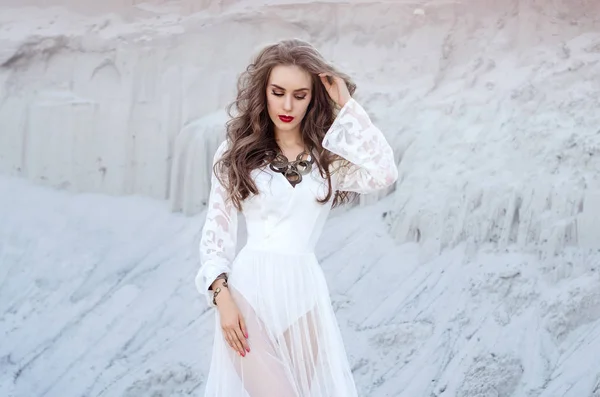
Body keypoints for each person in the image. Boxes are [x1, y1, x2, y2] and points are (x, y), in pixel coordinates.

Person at [195, 39, 398, 397]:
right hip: (248, 295)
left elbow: (384, 172)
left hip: (304, 297)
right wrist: (222, 298)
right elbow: (216, 236)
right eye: (278, 92)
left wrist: (347, 104)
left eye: (300, 95)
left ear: (314, 97)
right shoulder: (235, 154)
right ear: (264, 93)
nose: (287, 105)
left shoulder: (329, 159)